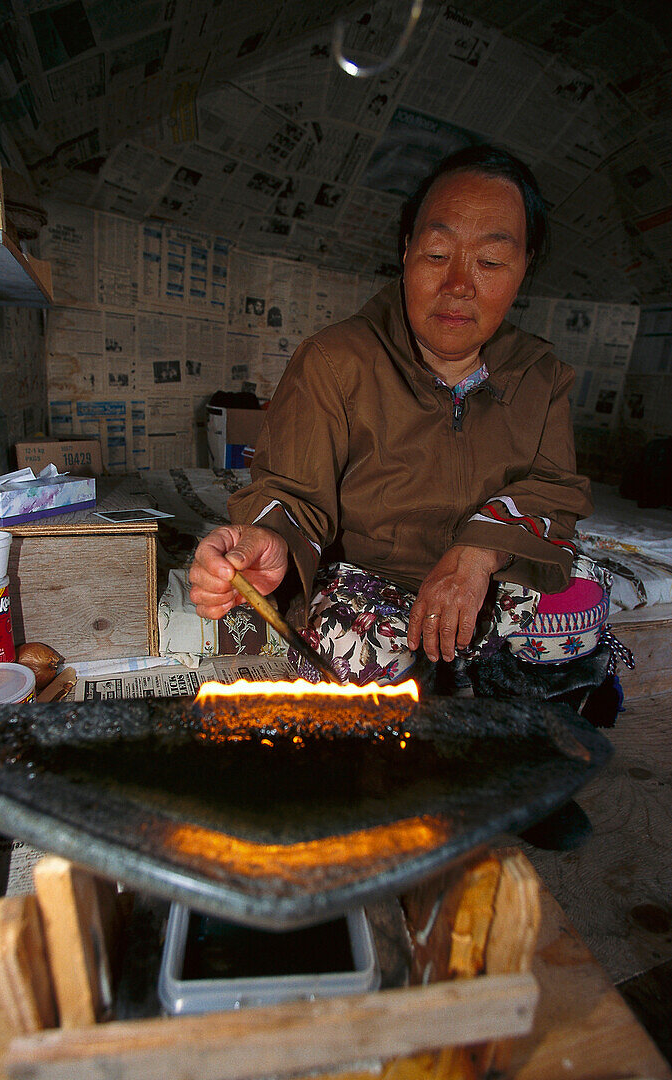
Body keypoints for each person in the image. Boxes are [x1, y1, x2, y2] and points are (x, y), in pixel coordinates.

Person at [189, 144, 595, 687]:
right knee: (350, 649)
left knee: (582, 601)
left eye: (491, 262)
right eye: (435, 254)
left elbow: (554, 489)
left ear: (522, 269)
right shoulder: (335, 360)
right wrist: (272, 541)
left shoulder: (542, 376)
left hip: (489, 569)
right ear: (406, 252)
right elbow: (291, 492)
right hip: (370, 582)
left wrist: (478, 552)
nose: (458, 285)